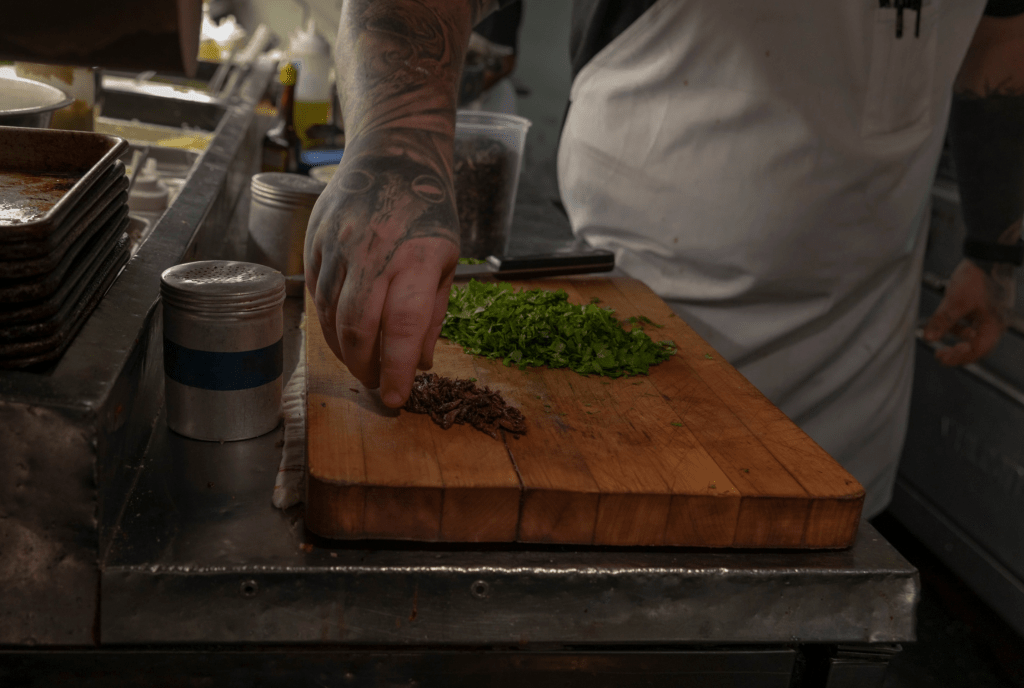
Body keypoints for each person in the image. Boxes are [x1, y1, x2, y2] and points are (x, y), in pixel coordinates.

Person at [305, 0, 1024, 518]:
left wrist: (995, 247)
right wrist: (398, 142)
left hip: (859, 341)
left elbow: (1001, 37)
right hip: (631, 302)